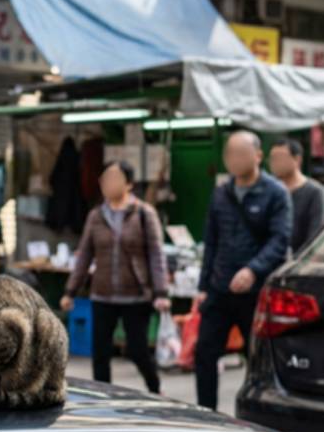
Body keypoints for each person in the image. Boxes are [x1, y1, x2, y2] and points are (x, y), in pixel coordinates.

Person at [195, 131, 291, 410]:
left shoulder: (276, 193)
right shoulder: (221, 193)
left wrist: (253, 270)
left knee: (257, 358)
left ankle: (255, 415)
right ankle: (206, 413)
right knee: (204, 354)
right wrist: (203, 287)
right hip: (220, 288)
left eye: (241, 153)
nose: (234, 159)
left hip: (255, 293)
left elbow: (279, 241)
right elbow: (211, 242)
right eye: (230, 154)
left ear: (258, 156)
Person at [60, 161, 170, 392]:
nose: (107, 184)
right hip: (103, 294)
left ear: (128, 184)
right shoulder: (96, 216)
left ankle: (155, 388)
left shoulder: (144, 213)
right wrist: (70, 291)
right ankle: (103, 395)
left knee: (138, 350)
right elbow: (84, 255)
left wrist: (161, 292)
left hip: (136, 295)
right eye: (104, 179)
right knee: (101, 354)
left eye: (113, 178)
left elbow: (156, 255)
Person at [268, 138, 324, 254]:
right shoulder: (269, 191)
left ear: (297, 159)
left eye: (281, 158)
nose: (276, 163)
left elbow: (316, 236)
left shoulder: (315, 193)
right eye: (273, 159)